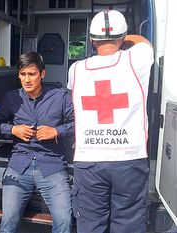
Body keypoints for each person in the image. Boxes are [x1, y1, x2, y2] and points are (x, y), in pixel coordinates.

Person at [67, 10, 154, 233]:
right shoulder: (138, 59)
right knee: (128, 225)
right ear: (123, 38)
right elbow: (144, 43)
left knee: (90, 225)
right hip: (129, 160)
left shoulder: (76, 69)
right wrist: (127, 38)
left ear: (91, 40)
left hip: (89, 161)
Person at [0, 51, 74, 233]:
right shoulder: (11, 98)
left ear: (42, 74)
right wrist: (12, 129)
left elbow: (78, 124)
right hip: (19, 165)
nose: (27, 80)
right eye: (22, 74)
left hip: (52, 166)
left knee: (65, 221)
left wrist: (56, 131)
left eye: (32, 74)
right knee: (8, 221)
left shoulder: (61, 97)